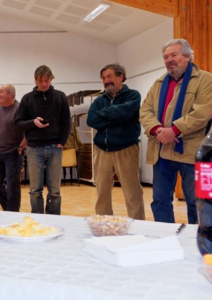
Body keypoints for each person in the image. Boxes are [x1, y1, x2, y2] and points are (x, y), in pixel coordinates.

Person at [140, 38, 212, 224]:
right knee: (160, 201)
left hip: (191, 153)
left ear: (188, 56)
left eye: (174, 55)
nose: (169, 60)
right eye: (165, 57)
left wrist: (174, 130)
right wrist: (157, 130)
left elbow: (202, 113)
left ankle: (196, 243)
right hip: (161, 151)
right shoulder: (159, 83)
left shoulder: (205, 79)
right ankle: (166, 240)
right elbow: (145, 110)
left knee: (196, 203)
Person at [87, 64, 145, 220]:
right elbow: (91, 120)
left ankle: (138, 226)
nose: (106, 80)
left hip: (126, 149)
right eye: (104, 78)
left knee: (132, 193)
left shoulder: (133, 95)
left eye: (110, 76)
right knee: (102, 193)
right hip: (102, 150)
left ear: (121, 76)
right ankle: (104, 225)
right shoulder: (100, 100)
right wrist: (116, 117)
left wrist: (104, 115)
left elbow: (125, 112)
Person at [15, 65, 71, 215]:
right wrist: (33, 122)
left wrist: (61, 142)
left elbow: (67, 122)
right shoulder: (27, 99)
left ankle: (53, 221)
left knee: (55, 191)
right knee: (35, 190)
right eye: (40, 81)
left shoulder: (60, 96)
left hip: (55, 148)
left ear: (51, 79)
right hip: (34, 148)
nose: (44, 84)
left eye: (47, 80)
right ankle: (38, 221)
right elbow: (18, 124)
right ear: (35, 81)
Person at [0, 84, 26, 212]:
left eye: (1, 92)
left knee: (13, 186)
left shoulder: (20, 108)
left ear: (11, 95)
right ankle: (9, 208)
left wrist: (21, 147)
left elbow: (28, 131)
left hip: (13, 152)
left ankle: (13, 213)